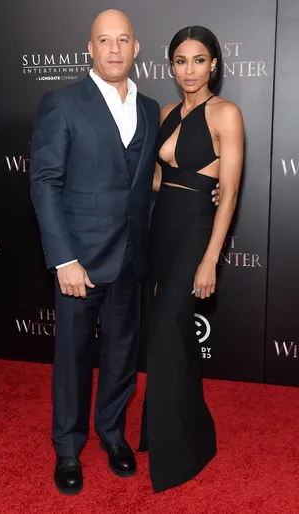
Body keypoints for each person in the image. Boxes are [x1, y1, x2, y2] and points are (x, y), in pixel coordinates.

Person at [30, 10, 220, 495]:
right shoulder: (62, 103)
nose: (114, 49)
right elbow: (46, 182)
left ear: (136, 49)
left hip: (135, 257)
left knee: (119, 357)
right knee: (72, 358)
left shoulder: (152, 106)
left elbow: (156, 174)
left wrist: (207, 190)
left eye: (123, 41)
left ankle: (112, 435)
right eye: (103, 41)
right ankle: (68, 449)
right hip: (80, 262)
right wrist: (63, 258)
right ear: (90, 48)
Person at [138, 26, 244, 493]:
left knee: (166, 332)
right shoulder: (165, 112)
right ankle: (178, 431)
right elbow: (161, 181)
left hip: (197, 232)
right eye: (180, 61)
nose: (189, 70)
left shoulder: (227, 114)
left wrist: (210, 260)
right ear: (171, 66)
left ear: (214, 64)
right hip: (161, 228)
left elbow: (231, 192)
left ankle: (186, 449)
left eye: (198, 60)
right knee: (171, 337)